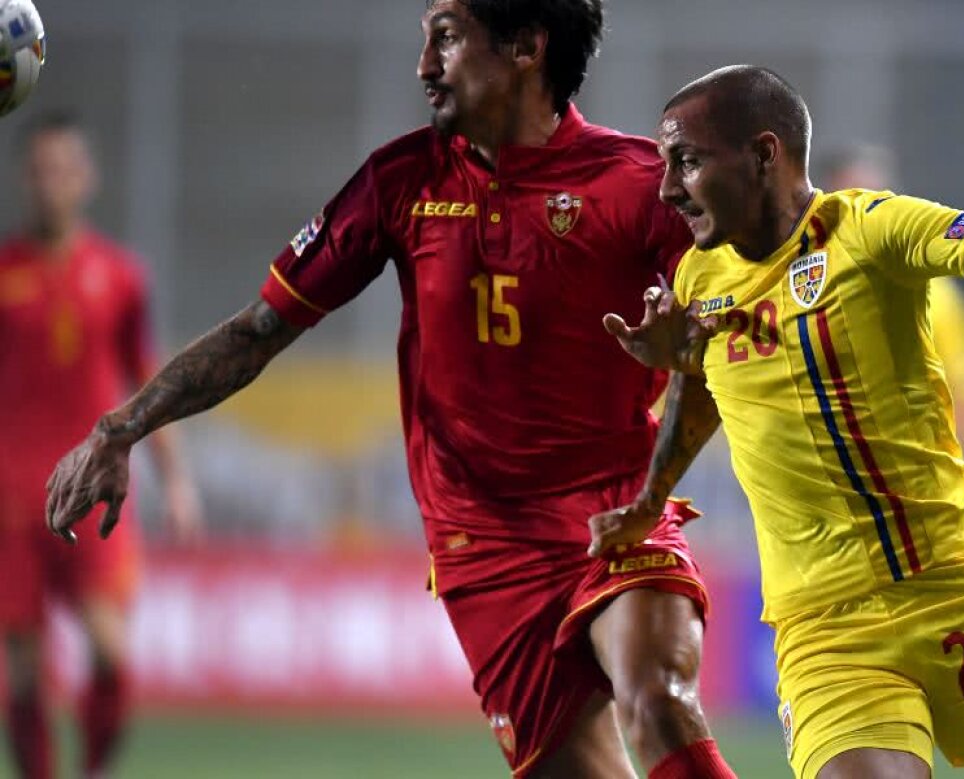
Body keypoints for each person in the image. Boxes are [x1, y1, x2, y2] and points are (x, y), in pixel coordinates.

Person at [43, 3, 736, 778]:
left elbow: (733, 337)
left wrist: (696, 362)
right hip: (485, 552)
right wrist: (119, 430)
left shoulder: (640, 185)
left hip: (617, 514)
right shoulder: (400, 183)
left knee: (660, 695)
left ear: (525, 47)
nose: (424, 66)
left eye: (445, 37)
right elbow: (258, 330)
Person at [591, 64, 964, 779]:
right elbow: (702, 385)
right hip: (826, 628)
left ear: (764, 154)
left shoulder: (869, 229)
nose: (668, 188)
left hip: (955, 592)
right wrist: (649, 501)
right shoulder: (698, 278)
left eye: (687, 162)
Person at [0, 113, 200, 779]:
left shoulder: (119, 276)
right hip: (11, 496)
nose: (51, 182)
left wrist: (175, 479)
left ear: (86, 178)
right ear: (26, 179)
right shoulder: (4, 273)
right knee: (24, 672)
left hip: (93, 488)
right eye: (39, 170)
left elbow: (149, 380)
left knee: (111, 654)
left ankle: (91, 770)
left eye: (64, 168)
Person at [816, 143, 964, 442]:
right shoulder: (796, 283)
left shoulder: (934, 295)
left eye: (875, 204)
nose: (863, 218)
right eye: (849, 202)